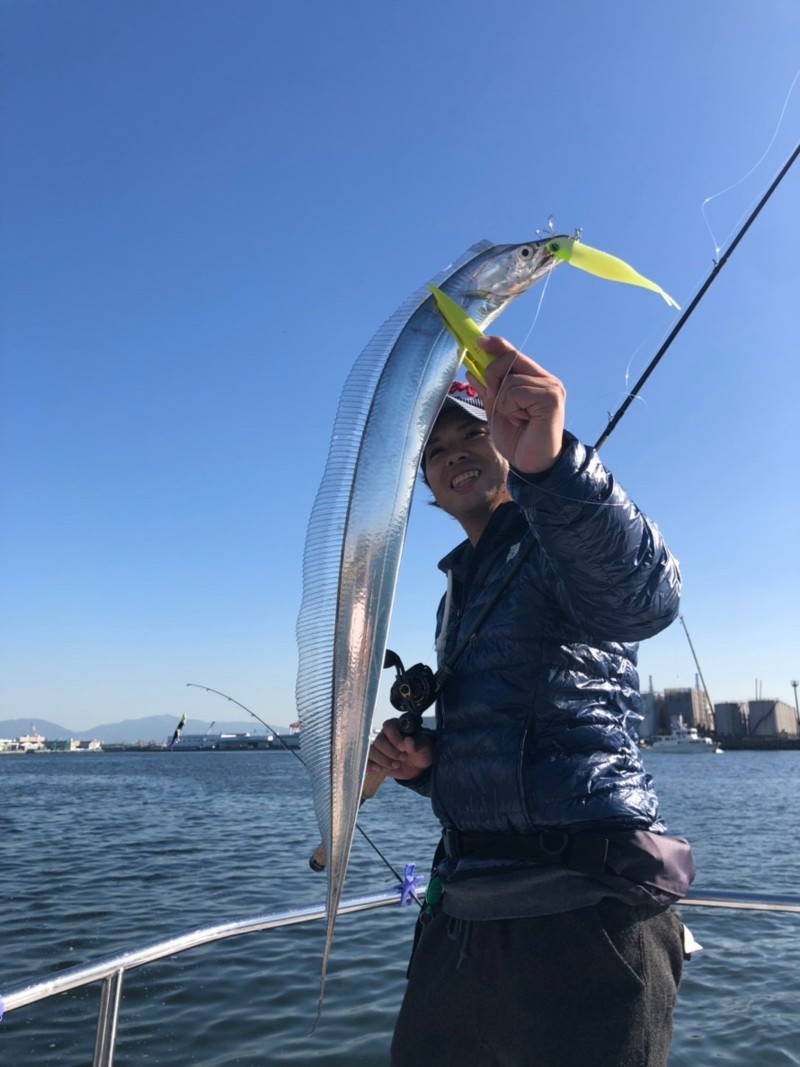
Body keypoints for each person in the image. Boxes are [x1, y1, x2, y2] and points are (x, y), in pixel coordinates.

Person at [368, 335, 695, 1067]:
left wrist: (552, 466)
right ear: (427, 488)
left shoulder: (560, 538)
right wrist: (430, 764)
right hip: (464, 917)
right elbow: (515, 733)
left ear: (506, 438)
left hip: (586, 912)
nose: (454, 454)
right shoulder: (457, 588)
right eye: (435, 450)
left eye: (471, 433)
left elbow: (648, 597)